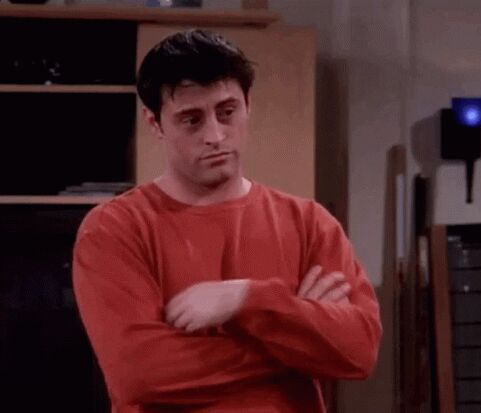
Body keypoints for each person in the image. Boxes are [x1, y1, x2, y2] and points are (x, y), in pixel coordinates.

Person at [72, 29, 382, 413]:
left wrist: (246, 299)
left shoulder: (309, 223)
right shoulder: (113, 229)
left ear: (248, 105)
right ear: (154, 123)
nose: (215, 135)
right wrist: (298, 334)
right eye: (192, 120)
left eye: (227, 112)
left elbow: (358, 351)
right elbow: (140, 373)